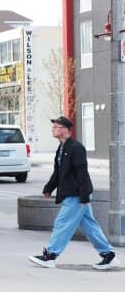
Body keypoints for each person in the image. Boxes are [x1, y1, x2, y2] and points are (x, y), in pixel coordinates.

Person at [29, 116, 120, 270]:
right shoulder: (62, 148)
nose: (53, 129)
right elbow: (58, 172)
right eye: (53, 127)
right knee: (89, 227)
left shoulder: (76, 148)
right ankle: (108, 255)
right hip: (73, 194)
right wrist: (49, 188)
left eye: (56, 126)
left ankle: (50, 256)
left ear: (65, 129)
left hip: (77, 194)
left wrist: (84, 196)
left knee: (62, 223)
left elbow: (81, 172)